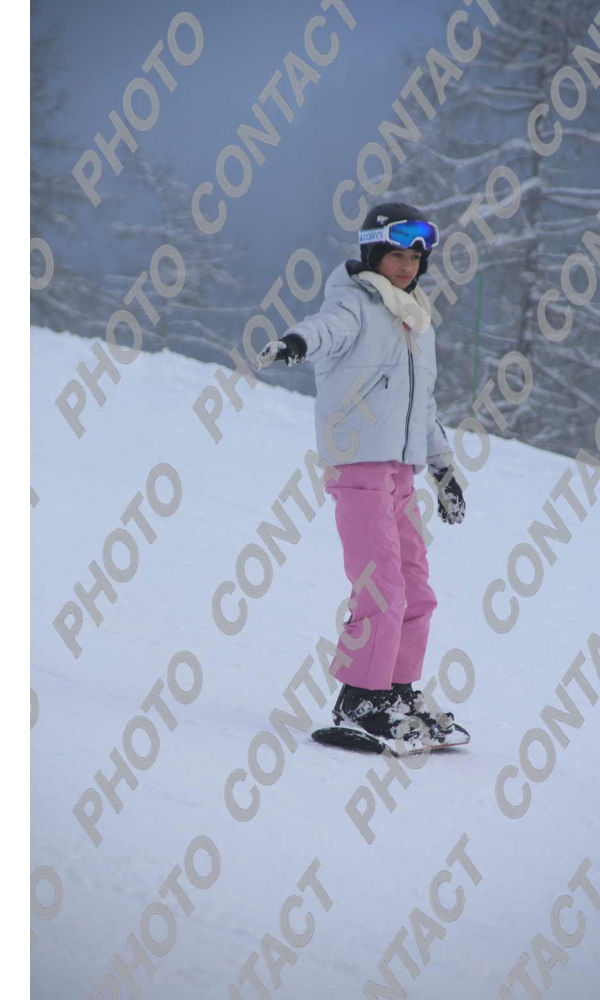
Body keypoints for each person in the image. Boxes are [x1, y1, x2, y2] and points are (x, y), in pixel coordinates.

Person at [254, 203, 469, 753]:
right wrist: (296, 342)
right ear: (374, 254)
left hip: (400, 474)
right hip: (359, 465)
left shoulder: (417, 321)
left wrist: (443, 469)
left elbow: (423, 407)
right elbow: (326, 329)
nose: (407, 266)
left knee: (416, 591)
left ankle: (396, 691)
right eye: (397, 255)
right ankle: (360, 699)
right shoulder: (355, 302)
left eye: (415, 258)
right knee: (381, 588)